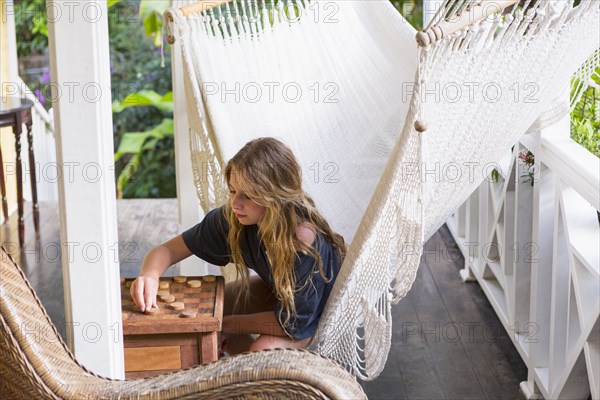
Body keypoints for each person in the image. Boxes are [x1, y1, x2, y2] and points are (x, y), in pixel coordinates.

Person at [131, 137, 346, 354]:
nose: (235, 203)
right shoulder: (235, 219)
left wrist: (224, 325)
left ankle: (251, 378)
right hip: (280, 293)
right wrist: (148, 275)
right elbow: (167, 250)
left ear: (275, 196)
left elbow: (292, 324)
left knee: (261, 346)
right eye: (233, 190)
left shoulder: (301, 239)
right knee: (208, 308)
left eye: (249, 195)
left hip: (312, 317)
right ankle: (238, 377)